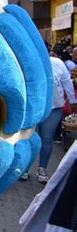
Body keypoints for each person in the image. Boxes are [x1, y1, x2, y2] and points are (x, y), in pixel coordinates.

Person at [34, 50, 77, 183]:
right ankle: (24, 169)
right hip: (34, 107)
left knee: (47, 139)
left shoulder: (57, 63)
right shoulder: (31, 61)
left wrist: (73, 101)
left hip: (54, 108)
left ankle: (42, 168)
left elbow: (67, 83)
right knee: (31, 139)